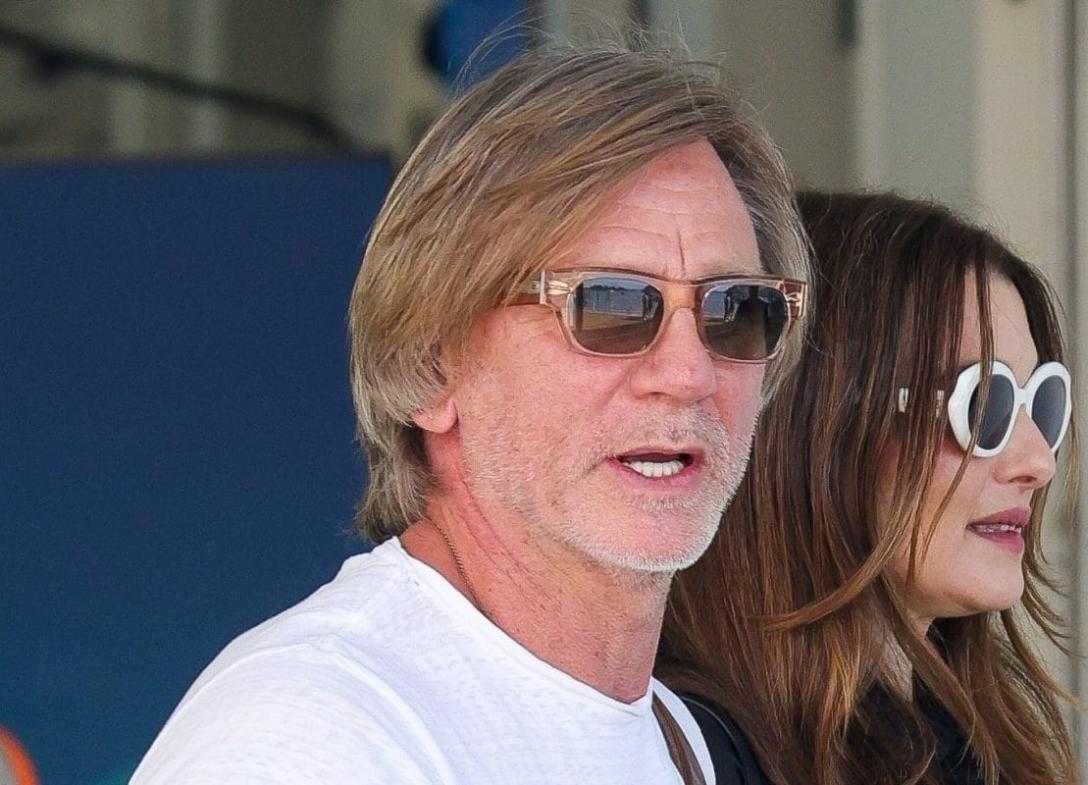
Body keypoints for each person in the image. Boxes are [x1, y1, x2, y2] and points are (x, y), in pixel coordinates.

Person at [129, 41, 810, 785]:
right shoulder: (316, 730)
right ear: (432, 364)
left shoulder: (672, 731)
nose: (688, 372)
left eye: (736, 309)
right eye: (608, 305)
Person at [660, 191, 1079, 785]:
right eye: (983, 404)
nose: (1039, 461)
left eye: (1043, 402)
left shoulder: (969, 746)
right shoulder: (677, 756)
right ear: (818, 425)